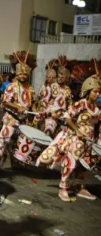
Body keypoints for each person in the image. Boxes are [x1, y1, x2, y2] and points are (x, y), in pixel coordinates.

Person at [37, 60, 100, 201]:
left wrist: (95, 138)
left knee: (82, 167)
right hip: (76, 138)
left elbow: (95, 125)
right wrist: (77, 130)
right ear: (88, 91)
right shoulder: (81, 104)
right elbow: (67, 116)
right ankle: (63, 187)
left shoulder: (96, 108)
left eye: (99, 92)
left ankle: (79, 188)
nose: (97, 94)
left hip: (88, 140)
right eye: (95, 92)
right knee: (71, 162)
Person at [0, 50, 36, 169]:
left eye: (24, 74)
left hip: (23, 121)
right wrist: (18, 107)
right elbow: (5, 102)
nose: (22, 76)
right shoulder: (12, 87)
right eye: (20, 74)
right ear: (16, 74)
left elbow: (32, 104)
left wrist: (34, 115)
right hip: (11, 119)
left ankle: (15, 165)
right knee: (3, 141)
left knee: (16, 143)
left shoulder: (30, 89)